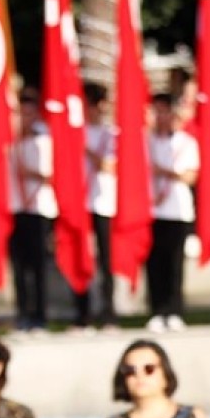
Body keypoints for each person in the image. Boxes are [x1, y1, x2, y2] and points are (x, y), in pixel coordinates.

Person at [145, 94, 200, 333]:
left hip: (177, 211)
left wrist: (163, 171)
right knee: (154, 263)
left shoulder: (186, 142)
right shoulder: (146, 143)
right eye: (156, 112)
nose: (160, 117)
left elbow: (190, 176)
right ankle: (157, 311)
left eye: (164, 111)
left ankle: (175, 311)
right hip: (151, 210)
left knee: (174, 263)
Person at [9, 90, 58, 333]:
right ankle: (22, 313)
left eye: (28, 114)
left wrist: (31, 173)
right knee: (18, 265)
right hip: (15, 208)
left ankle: (40, 315)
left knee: (38, 266)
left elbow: (53, 174)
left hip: (39, 209)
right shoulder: (10, 145)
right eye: (20, 114)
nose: (24, 119)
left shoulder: (43, 142)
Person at [83, 82, 119, 327]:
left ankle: (108, 311)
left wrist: (86, 150)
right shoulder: (74, 131)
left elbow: (109, 165)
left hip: (105, 203)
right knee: (82, 258)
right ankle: (83, 312)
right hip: (80, 205)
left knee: (106, 261)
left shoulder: (111, 134)